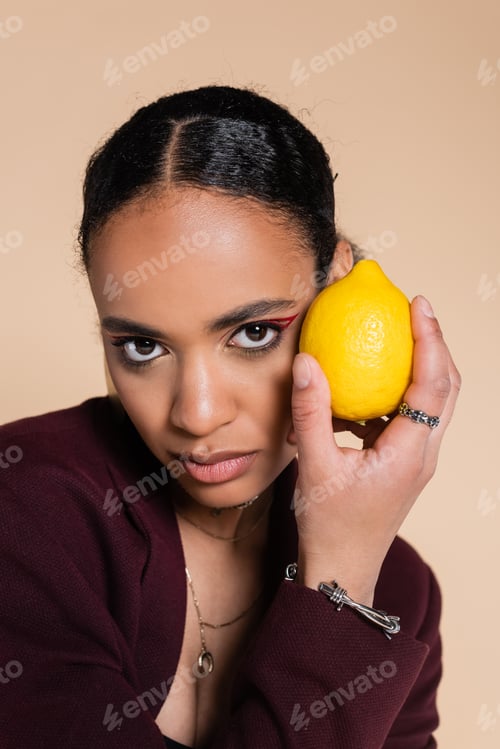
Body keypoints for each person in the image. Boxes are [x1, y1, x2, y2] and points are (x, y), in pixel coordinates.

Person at [0, 85, 460, 748]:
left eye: (251, 333)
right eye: (143, 345)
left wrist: (350, 574)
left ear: (335, 285)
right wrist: (339, 595)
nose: (197, 412)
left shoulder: (400, 594)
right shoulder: (26, 519)